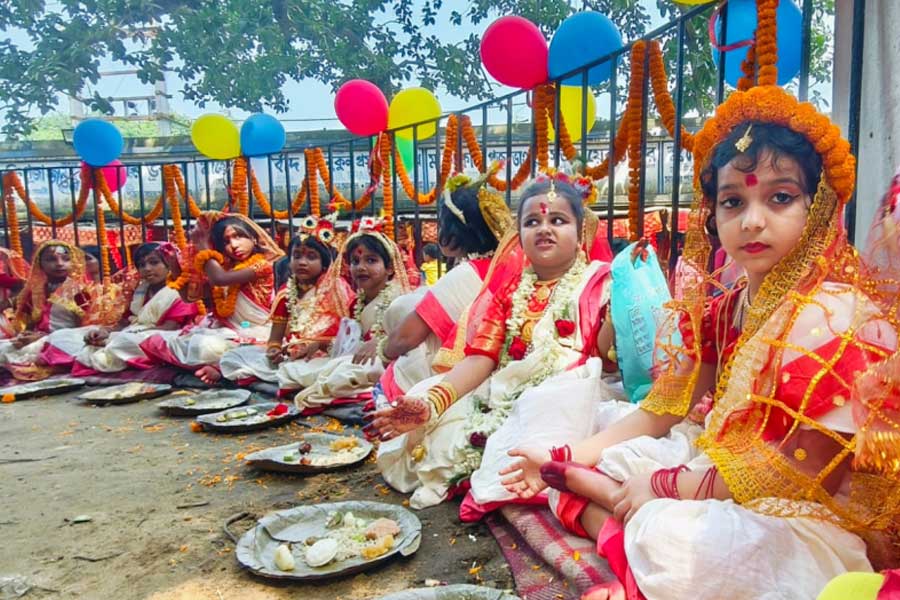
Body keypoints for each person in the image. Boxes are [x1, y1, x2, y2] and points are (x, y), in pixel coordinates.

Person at [502, 87, 900, 600]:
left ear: (818, 206)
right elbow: (668, 407)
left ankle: (614, 517)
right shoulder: (728, 304)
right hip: (719, 468)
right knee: (607, 437)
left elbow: (797, 471)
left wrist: (665, 486)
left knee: (680, 542)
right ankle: (616, 509)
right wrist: (568, 452)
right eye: (733, 201)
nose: (752, 221)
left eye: (780, 197)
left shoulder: (835, 314)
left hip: (804, 513)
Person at [372, 174, 622, 511]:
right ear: (519, 235)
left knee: (528, 438)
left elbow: (607, 357)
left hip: (571, 394)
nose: (544, 228)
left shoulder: (602, 281)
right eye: (532, 221)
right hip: (503, 392)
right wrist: (434, 403)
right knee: (432, 422)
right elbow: (481, 358)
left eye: (558, 220)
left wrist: (616, 309)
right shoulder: (508, 292)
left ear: (581, 235)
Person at [377, 169, 514, 403]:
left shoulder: (465, 274)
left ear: (452, 232)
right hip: (496, 375)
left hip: (459, 379)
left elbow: (406, 337)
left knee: (409, 352)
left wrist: (382, 353)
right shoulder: (505, 267)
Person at [277, 217, 412, 411]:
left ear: (390, 268)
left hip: (389, 363)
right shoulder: (356, 302)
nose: (361, 267)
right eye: (355, 261)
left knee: (338, 374)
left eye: (371, 260)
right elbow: (353, 345)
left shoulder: (399, 299)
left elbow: (412, 344)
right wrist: (321, 344)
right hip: (359, 362)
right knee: (293, 369)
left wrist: (382, 343)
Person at [139, 212, 283, 384]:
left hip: (257, 332)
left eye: (238, 237)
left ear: (253, 238)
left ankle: (220, 367)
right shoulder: (222, 268)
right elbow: (189, 297)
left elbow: (219, 279)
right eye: (226, 241)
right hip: (227, 331)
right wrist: (174, 266)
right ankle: (220, 365)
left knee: (207, 347)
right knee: (182, 342)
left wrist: (202, 247)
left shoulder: (262, 266)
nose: (234, 245)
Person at [218, 215, 352, 385]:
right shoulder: (286, 293)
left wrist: (318, 345)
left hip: (326, 357)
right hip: (291, 357)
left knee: (310, 372)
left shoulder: (337, 290)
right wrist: (274, 351)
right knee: (232, 358)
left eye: (311, 257)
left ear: (324, 263)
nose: (302, 262)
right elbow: (275, 338)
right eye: (296, 256)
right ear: (289, 262)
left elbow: (350, 338)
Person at [73, 242, 199, 374]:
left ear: (169, 264)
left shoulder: (180, 292)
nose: (147, 268)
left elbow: (170, 328)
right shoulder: (140, 290)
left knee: (123, 342)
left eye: (154, 262)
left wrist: (117, 336)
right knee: (69, 335)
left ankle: (110, 351)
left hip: (161, 339)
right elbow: (125, 322)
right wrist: (105, 331)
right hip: (133, 335)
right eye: (141, 265)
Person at [0, 241, 91, 380]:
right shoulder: (34, 290)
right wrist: (25, 337)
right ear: (39, 263)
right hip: (40, 341)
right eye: (51, 259)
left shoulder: (82, 290)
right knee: (5, 347)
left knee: (57, 343)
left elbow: (87, 328)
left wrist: (43, 337)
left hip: (67, 340)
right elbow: (29, 324)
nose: (60, 263)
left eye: (66, 259)